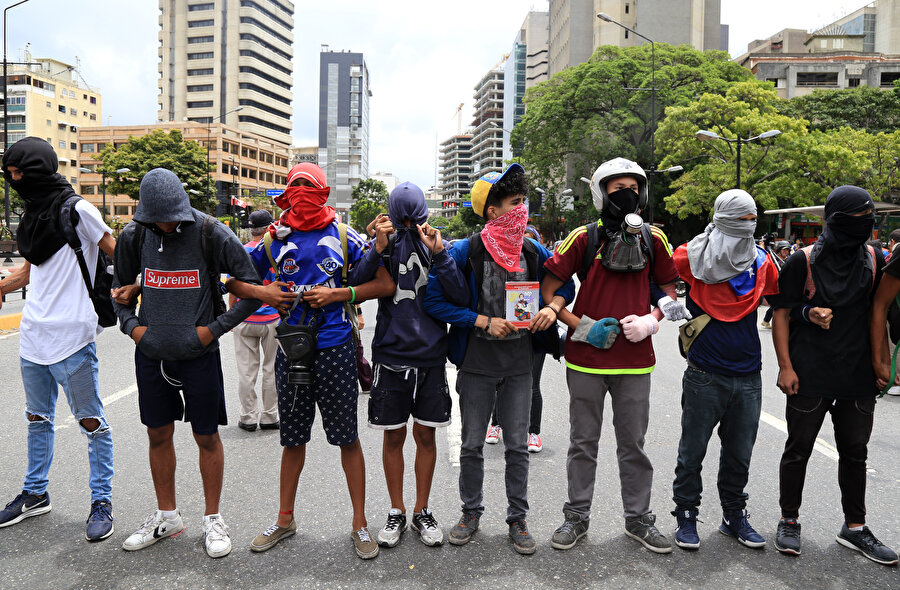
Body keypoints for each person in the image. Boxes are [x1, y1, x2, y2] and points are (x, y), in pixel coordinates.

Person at [112, 168, 292, 558]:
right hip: (152, 355)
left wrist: (213, 331)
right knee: (157, 434)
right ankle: (167, 516)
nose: (165, 225)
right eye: (158, 219)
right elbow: (118, 292)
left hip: (200, 356)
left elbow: (251, 290)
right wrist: (134, 329)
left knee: (206, 436)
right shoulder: (134, 235)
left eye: (172, 218)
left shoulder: (212, 232)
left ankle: (213, 518)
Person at [246, 163, 395, 560]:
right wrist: (266, 294)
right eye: (294, 186)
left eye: (308, 187)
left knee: (347, 438)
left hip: (336, 348)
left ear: (324, 192)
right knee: (292, 439)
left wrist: (338, 294)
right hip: (291, 350)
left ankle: (360, 523)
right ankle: (284, 520)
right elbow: (235, 277)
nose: (301, 194)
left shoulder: (345, 235)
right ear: (285, 193)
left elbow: (384, 283)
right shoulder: (272, 239)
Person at [425, 163, 575, 555]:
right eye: (515, 202)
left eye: (524, 201)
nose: (522, 209)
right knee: (472, 445)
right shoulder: (465, 251)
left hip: (520, 366)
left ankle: (517, 519)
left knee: (518, 448)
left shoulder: (533, 250)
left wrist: (553, 308)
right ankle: (470, 513)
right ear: (492, 211)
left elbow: (567, 283)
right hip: (476, 365)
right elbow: (434, 301)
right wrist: (482, 321)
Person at [540, 157, 684, 554]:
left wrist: (652, 321)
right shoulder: (582, 238)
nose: (628, 195)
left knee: (633, 444)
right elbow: (549, 289)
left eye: (634, 189)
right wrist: (582, 327)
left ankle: (639, 518)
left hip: (636, 361)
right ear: (601, 193)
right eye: (619, 189)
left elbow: (672, 289)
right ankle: (576, 516)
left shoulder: (654, 238)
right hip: (585, 359)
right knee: (582, 442)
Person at [773, 186, 897, 565]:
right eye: (857, 219)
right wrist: (786, 365)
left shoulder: (875, 259)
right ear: (834, 220)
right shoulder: (802, 261)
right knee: (798, 450)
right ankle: (789, 520)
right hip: (808, 372)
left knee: (855, 453)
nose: (866, 225)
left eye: (870, 218)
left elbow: (881, 311)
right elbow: (781, 313)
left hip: (857, 375)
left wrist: (882, 363)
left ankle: (855, 527)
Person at [0, 137, 116, 541]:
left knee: (91, 423)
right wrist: (2, 286)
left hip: (73, 337)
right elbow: (30, 272)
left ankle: (101, 501)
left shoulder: (78, 209)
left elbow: (116, 250)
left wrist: (136, 292)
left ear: (38, 169)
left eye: (20, 173)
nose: (15, 181)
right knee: (37, 419)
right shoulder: (33, 215)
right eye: (10, 174)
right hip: (33, 335)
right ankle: (35, 493)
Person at [669, 190, 779, 551]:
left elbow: (781, 306)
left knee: (739, 455)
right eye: (741, 218)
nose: (749, 224)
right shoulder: (690, 255)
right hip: (704, 371)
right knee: (692, 452)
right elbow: (659, 279)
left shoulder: (763, 261)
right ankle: (686, 513)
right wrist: (665, 306)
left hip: (749, 373)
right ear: (722, 218)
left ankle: (734, 515)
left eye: (753, 217)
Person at [369, 182, 467, 549]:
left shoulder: (439, 246)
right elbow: (359, 280)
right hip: (391, 354)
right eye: (405, 219)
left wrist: (439, 253)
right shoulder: (384, 244)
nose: (410, 224)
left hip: (429, 355)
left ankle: (421, 509)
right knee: (393, 435)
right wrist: (376, 246)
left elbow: (459, 296)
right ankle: (396, 509)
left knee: (425, 435)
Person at [485, 226, 554, 453]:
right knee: (500, 381)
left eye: (531, 241)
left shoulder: (542, 263)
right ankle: (496, 424)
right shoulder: (499, 263)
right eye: (522, 239)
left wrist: (550, 308)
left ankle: (533, 432)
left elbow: (561, 285)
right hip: (505, 332)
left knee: (532, 385)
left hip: (534, 333)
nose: (524, 244)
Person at [230, 209, 280, 432]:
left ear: (251, 230)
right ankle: (270, 416)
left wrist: (233, 314)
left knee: (246, 371)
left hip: (245, 316)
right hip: (272, 318)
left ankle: (248, 416)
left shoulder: (241, 252)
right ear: (270, 228)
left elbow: (233, 285)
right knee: (271, 369)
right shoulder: (275, 251)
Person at [760, 240, 791, 329]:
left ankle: (766, 321)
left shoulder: (789, 260)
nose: (786, 252)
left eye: (787, 250)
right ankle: (771, 322)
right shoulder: (773, 259)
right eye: (784, 249)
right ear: (779, 250)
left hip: (784, 286)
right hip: (773, 287)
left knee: (777, 305)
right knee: (777, 305)